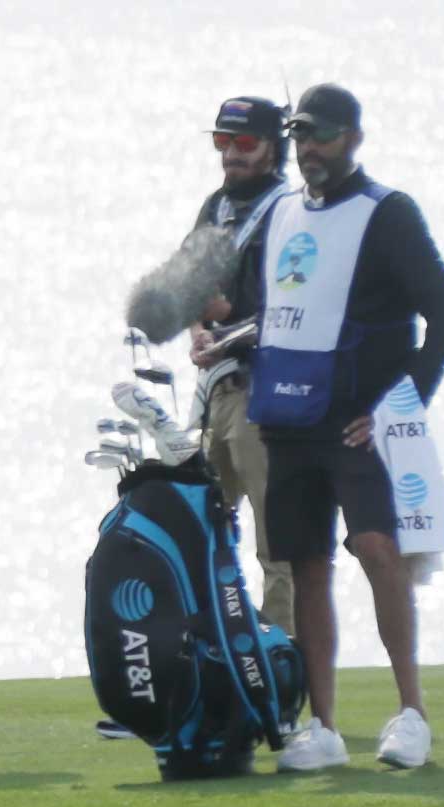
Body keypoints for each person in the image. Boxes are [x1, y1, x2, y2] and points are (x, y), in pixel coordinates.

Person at [244, 85, 444, 771]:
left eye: (324, 137)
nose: (310, 150)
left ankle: (411, 713)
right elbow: (268, 308)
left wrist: (400, 405)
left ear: (353, 140)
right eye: (302, 137)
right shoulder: (277, 212)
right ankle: (327, 729)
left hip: (356, 426)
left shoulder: (389, 214)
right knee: (306, 566)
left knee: (378, 552)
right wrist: (218, 337)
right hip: (288, 421)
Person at [187, 97, 296, 635]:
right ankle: (213, 669)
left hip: (268, 392)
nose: (231, 154)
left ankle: (283, 678)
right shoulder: (216, 206)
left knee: (278, 549)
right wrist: (199, 329)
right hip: (217, 391)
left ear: (274, 148)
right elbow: (188, 284)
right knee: (205, 540)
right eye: (222, 142)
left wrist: (227, 319)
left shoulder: (290, 207)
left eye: (244, 143)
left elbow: (295, 309)